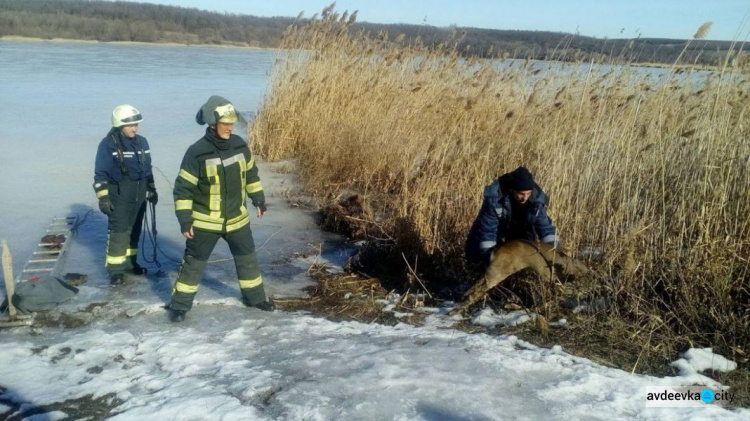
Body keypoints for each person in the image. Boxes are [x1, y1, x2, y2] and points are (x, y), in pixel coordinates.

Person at [168, 95, 273, 323]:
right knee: (193, 266)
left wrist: (258, 199)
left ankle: (255, 298)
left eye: (231, 124)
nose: (230, 128)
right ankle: (179, 306)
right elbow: (183, 189)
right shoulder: (196, 152)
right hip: (205, 223)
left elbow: (251, 174)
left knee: (247, 260)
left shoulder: (239, 145)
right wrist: (185, 219)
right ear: (212, 125)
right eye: (225, 124)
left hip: (237, 220)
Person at [93, 105, 158, 285]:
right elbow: (100, 174)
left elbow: (148, 169)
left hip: (139, 192)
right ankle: (115, 270)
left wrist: (152, 189)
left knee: (135, 230)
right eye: (130, 125)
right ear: (120, 125)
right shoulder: (107, 144)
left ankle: (130, 263)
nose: (134, 128)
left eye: (136, 125)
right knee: (119, 231)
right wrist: (103, 198)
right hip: (119, 194)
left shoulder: (143, 142)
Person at [465, 166, 558, 269]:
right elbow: (487, 232)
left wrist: (555, 255)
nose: (525, 198)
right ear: (512, 190)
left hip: (521, 236)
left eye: (528, 193)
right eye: (521, 194)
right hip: (495, 235)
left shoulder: (536, 201)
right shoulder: (494, 199)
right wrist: (490, 261)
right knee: (478, 261)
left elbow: (546, 230)